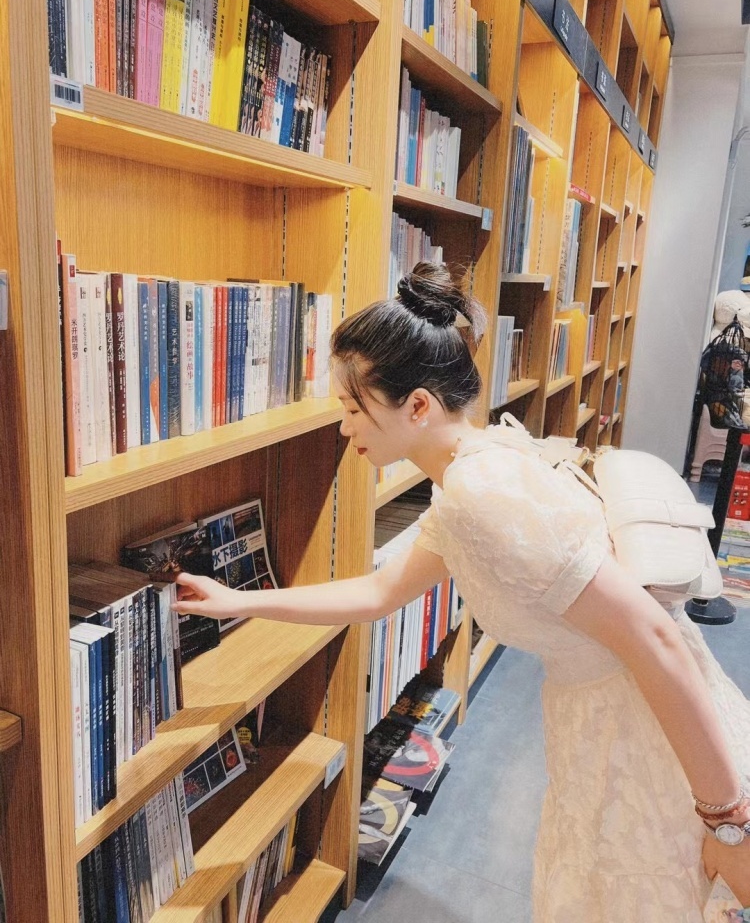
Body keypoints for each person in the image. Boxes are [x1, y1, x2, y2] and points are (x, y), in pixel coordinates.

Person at [173, 263, 750, 920]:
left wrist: (726, 820)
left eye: (354, 409)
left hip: (648, 729)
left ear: (417, 406)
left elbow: (653, 637)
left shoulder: (483, 493)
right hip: (611, 720)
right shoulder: (476, 474)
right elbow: (379, 593)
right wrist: (239, 602)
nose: (344, 428)